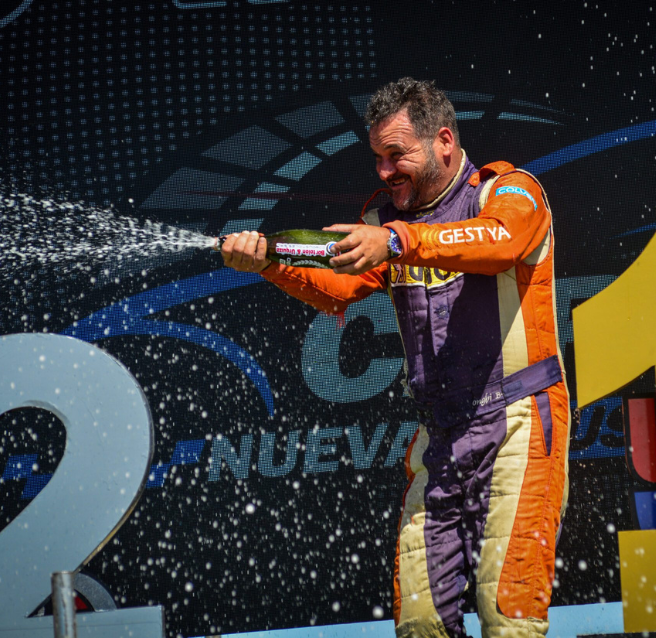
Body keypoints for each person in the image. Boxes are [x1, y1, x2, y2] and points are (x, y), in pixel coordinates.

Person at [222, 77, 570, 638]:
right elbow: (339, 289)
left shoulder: (507, 190)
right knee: (420, 624)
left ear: (444, 142)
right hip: (439, 435)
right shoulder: (385, 224)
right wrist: (269, 263)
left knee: (508, 615)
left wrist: (397, 241)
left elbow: (502, 242)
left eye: (396, 154)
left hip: (518, 422)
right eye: (378, 158)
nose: (384, 171)